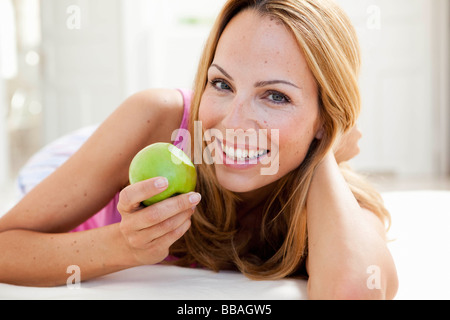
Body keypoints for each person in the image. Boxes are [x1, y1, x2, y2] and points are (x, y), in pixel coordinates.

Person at [0, 0, 398, 299]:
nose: (232, 121)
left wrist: (324, 146)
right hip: (87, 156)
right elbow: (6, 246)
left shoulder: (340, 198)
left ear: (326, 119)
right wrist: (124, 246)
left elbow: (355, 292)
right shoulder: (156, 116)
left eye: (275, 96)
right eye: (222, 84)